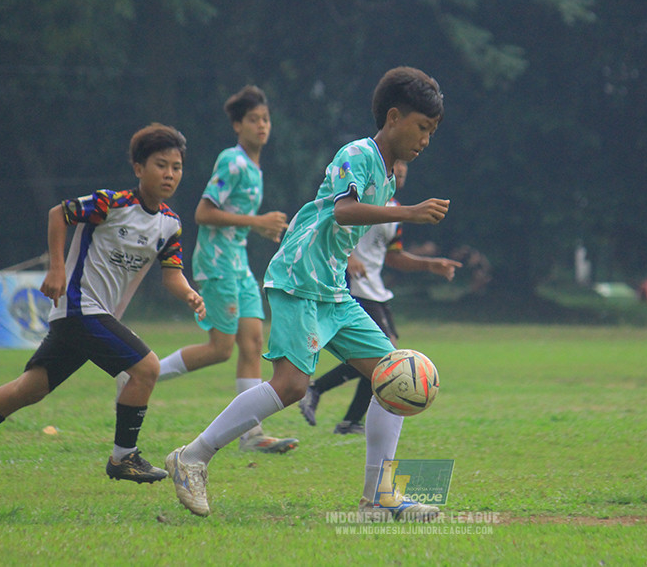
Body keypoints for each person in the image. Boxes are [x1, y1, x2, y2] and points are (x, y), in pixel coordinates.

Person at [165, 66, 449, 521]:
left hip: (332, 289)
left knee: (392, 375)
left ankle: (378, 498)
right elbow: (343, 211)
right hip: (299, 279)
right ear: (394, 117)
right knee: (292, 385)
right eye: (422, 127)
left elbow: (347, 228)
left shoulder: (391, 174)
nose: (426, 139)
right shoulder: (357, 153)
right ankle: (191, 457)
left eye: (432, 131)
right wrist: (410, 214)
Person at [0, 123, 206, 493]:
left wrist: (189, 294)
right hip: (80, 308)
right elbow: (58, 214)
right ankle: (123, 456)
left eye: (176, 166)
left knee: (30, 389)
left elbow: (172, 274)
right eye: (161, 164)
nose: (170, 173)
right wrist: (57, 269)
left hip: (93, 316)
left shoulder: (170, 225)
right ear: (139, 168)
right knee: (147, 368)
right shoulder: (112, 202)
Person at [126, 85, 297, 454]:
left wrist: (255, 225)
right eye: (254, 120)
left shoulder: (255, 167)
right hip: (217, 264)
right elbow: (204, 213)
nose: (262, 126)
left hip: (238, 264)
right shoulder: (231, 161)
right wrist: (256, 221)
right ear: (238, 125)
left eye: (266, 119)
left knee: (253, 344)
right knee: (220, 349)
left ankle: (252, 436)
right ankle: (139, 374)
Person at [298, 159, 461, 435]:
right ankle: (323, 396)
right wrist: (348, 259)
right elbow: (334, 227)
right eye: (396, 168)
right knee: (387, 356)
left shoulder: (395, 213)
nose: (400, 173)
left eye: (404, 172)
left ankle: (343, 415)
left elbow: (393, 256)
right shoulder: (360, 203)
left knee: (384, 358)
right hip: (353, 287)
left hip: (376, 289)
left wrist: (429, 264)